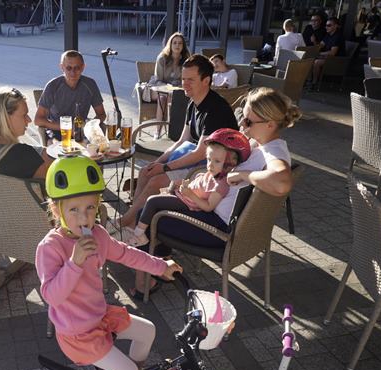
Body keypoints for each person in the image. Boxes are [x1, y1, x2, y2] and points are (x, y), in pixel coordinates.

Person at [35, 156, 182, 370]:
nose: (84, 217)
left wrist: (160, 266)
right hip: (78, 332)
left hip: (99, 315)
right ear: (56, 209)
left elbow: (126, 253)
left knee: (147, 331)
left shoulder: (98, 235)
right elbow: (52, 296)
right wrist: (75, 262)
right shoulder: (50, 247)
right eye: (74, 209)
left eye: (90, 208)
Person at [130, 87, 301, 297]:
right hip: (213, 214)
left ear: (270, 124)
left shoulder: (273, 153)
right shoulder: (262, 144)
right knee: (161, 200)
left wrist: (244, 175)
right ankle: (161, 263)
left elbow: (282, 183)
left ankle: (144, 284)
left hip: (217, 231)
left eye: (248, 121)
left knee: (147, 215)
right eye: (242, 117)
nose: (242, 125)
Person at [116, 54, 238, 229]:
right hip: (198, 160)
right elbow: (182, 140)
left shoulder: (215, 110)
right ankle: (133, 221)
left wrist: (165, 168)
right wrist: (158, 163)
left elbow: (200, 153)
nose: (185, 84)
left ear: (206, 81)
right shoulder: (193, 103)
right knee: (145, 171)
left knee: (155, 182)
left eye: (191, 80)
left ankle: (126, 222)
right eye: (183, 79)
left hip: (213, 170)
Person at [121, 128, 251, 249]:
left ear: (230, 164)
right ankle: (152, 245)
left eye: (216, 161)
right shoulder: (213, 174)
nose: (210, 165)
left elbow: (208, 207)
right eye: (208, 159)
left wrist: (190, 193)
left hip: (188, 203)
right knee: (151, 204)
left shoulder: (221, 185)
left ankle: (138, 235)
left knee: (152, 202)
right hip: (184, 197)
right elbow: (200, 185)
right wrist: (185, 184)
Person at [34, 50, 107, 142]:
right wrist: (66, 127)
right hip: (57, 129)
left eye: (77, 68)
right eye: (69, 68)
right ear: (62, 67)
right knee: (55, 145)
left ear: (83, 67)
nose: (73, 72)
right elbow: (38, 120)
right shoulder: (53, 86)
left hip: (81, 130)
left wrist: (89, 126)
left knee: (98, 146)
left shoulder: (90, 84)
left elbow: (101, 114)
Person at [152, 32, 191, 124]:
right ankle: (158, 130)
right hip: (159, 88)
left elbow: (186, 79)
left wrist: (176, 89)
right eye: (175, 43)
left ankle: (173, 128)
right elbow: (157, 80)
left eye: (180, 43)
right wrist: (169, 89)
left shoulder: (186, 60)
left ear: (183, 46)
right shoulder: (162, 58)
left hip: (177, 90)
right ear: (170, 44)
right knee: (163, 98)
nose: (177, 45)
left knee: (175, 97)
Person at [312, 17, 346, 86]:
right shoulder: (328, 35)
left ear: (335, 26)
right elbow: (320, 46)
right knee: (310, 58)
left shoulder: (338, 37)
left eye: (329, 25)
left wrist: (319, 53)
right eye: (326, 25)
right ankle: (308, 80)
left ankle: (314, 83)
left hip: (337, 60)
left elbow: (332, 53)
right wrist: (314, 42)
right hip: (328, 58)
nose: (326, 27)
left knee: (317, 62)